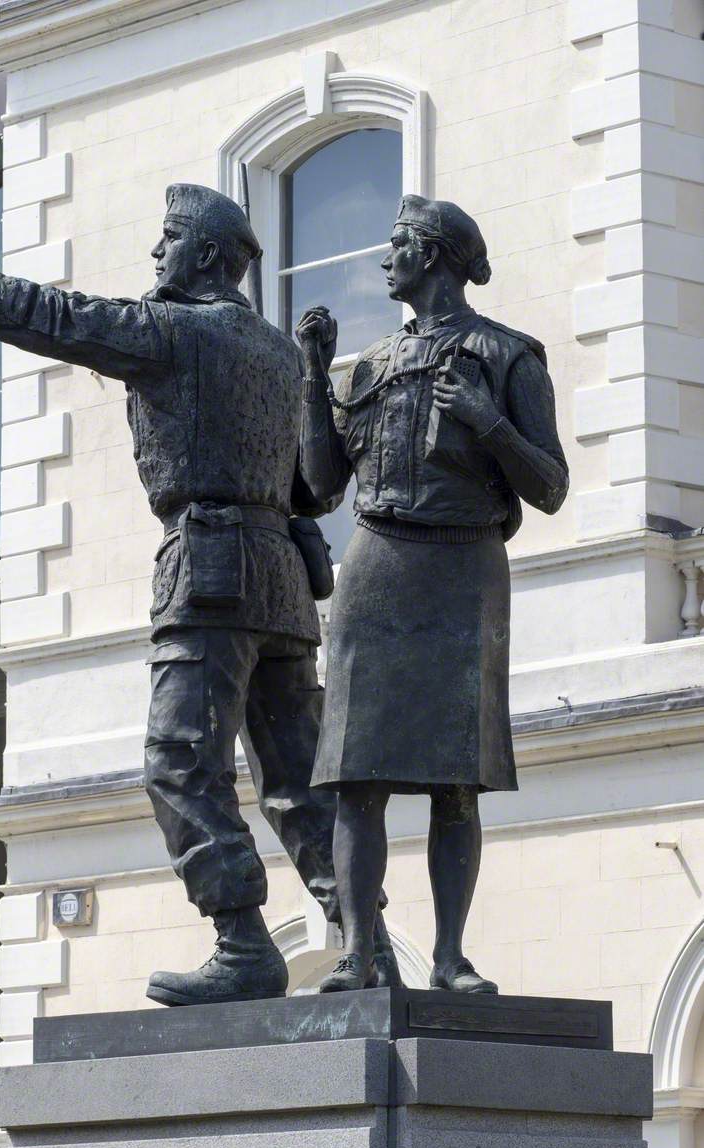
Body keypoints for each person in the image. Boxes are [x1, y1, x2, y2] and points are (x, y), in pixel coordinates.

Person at [0, 183, 401, 1006]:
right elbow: (313, 489)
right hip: (284, 588)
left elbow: (50, 314)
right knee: (296, 779)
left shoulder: (172, 332)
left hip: (210, 571)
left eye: (170, 239)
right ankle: (369, 947)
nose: (157, 255)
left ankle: (242, 941)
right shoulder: (278, 356)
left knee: (180, 761)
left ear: (209, 257)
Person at [296, 195, 569, 994]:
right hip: (377, 567)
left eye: (398, 245)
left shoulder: (510, 356)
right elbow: (318, 485)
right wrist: (315, 372)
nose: (385, 260)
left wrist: (488, 422)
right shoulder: (374, 365)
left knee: (457, 780)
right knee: (356, 778)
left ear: (437, 255)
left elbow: (550, 486)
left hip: (463, 570)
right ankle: (357, 955)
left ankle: (449, 961)